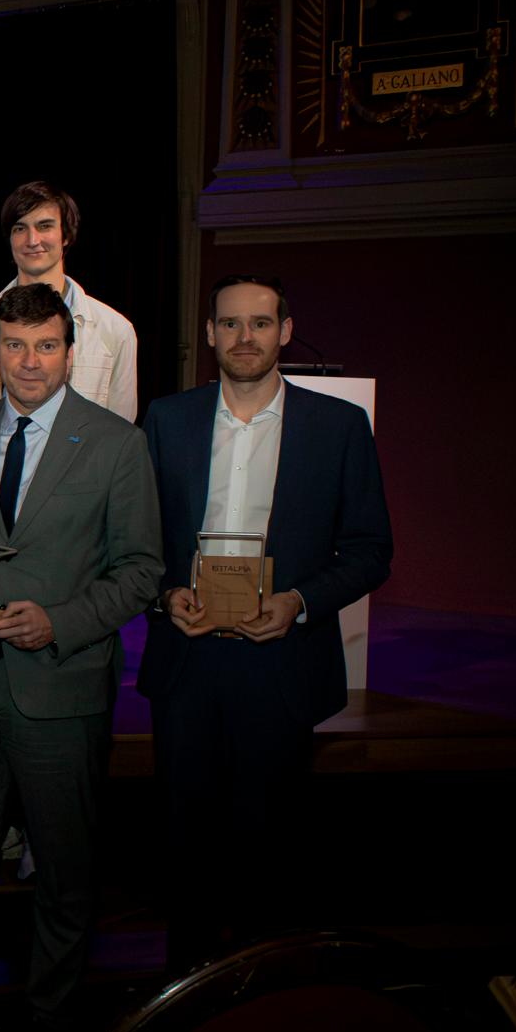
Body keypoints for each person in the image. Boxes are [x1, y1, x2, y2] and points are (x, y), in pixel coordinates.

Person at [0, 282, 161, 1027]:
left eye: (46, 345)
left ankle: (48, 1021)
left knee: (64, 873)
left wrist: (57, 621)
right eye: (15, 346)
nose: (30, 362)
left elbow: (142, 571)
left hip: (61, 689)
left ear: (70, 351)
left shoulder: (119, 444)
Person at [139, 274, 391, 969]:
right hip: (188, 657)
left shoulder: (337, 427)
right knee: (185, 846)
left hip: (282, 659)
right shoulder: (168, 418)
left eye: (258, 323)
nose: (243, 337)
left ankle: (261, 995)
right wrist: (165, 594)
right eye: (229, 324)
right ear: (211, 333)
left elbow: (371, 550)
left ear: (284, 330)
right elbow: (135, 539)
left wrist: (299, 602)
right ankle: (182, 993)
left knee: (269, 847)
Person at [0, 182, 137, 422]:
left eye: (45, 226)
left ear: (66, 235)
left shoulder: (115, 330)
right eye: (20, 228)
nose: (32, 240)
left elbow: (121, 429)